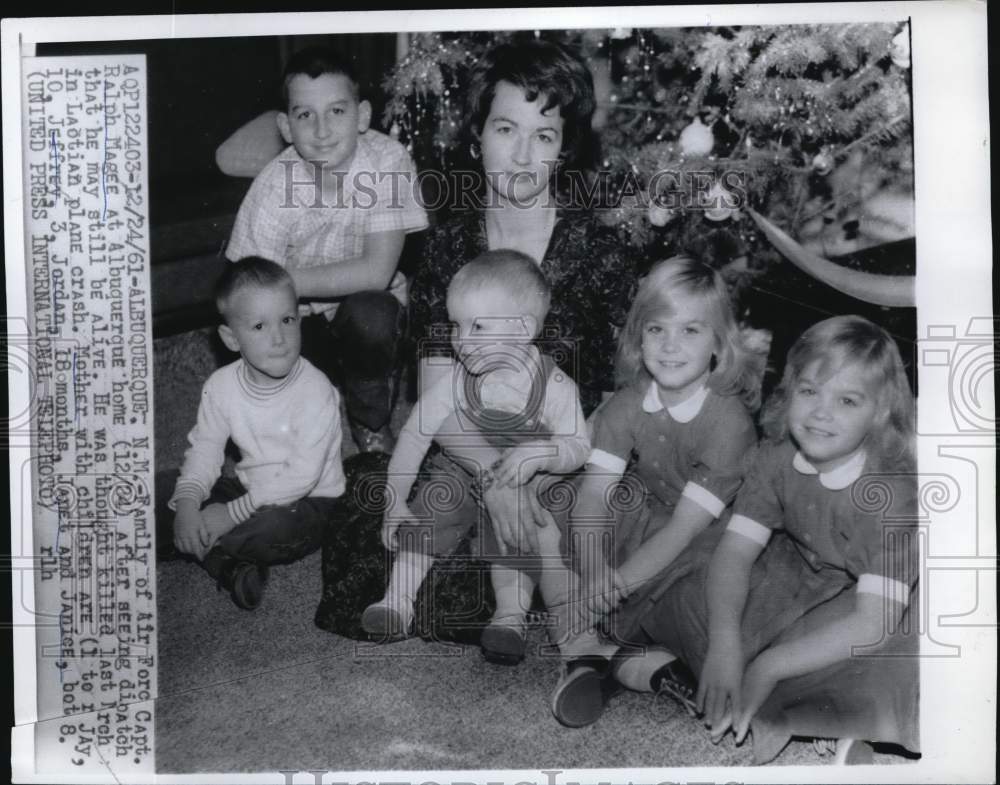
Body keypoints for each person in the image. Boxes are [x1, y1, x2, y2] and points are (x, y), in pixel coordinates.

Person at [562, 315, 920, 765]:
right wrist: (725, 645)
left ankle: (825, 720)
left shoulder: (889, 495)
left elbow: (873, 621)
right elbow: (734, 552)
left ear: (880, 413)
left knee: (887, 659)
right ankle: (670, 667)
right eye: (809, 391)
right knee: (697, 591)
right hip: (798, 569)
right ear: (789, 393)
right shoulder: (777, 456)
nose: (821, 412)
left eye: (847, 400)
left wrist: (767, 667)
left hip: (870, 599)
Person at [407, 36, 636, 558]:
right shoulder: (447, 249)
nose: (522, 156)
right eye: (506, 129)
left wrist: (541, 467)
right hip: (469, 448)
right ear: (477, 135)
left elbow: (619, 398)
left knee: (576, 561)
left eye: (544, 136)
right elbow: (435, 395)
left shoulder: (603, 251)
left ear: (564, 149)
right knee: (414, 552)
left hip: (572, 454)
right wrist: (497, 477)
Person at [540, 257, 762, 726]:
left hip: (704, 539)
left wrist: (616, 583)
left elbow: (684, 530)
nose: (670, 345)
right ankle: (598, 652)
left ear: (719, 345)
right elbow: (597, 493)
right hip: (645, 516)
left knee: (698, 613)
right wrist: (597, 564)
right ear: (638, 339)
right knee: (551, 512)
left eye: (690, 331)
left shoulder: (729, 421)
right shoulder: (627, 403)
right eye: (657, 329)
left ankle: (619, 657)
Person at [361, 250, 590, 662]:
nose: (461, 340)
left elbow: (578, 447)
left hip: (523, 482)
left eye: (477, 326)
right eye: (456, 325)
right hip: (461, 472)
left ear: (523, 328)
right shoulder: (458, 378)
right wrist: (394, 497)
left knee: (518, 535)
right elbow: (416, 430)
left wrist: (543, 452)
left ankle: (510, 618)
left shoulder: (555, 384)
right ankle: (397, 601)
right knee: (428, 512)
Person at [226, 45, 428, 453]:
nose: (321, 131)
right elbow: (252, 299)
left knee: (375, 313)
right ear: (285, 127)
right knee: (288, 434)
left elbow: (376, 273)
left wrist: (282, 281)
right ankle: (305, 399)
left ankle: (369, 418)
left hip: (361, 309)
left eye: (337, 111)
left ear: (364, 116)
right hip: (295, 320)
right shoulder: (271, 188)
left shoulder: (386, 160)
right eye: (305, 115)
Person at [170, 257, 345, 610]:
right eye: (260, 326)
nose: (279, 338)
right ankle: (226, 561)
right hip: (249, 490)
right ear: (231, 338)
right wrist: (187, 504)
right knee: (155, 499)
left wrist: (230, 514)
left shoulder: (315, 390)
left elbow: (302, 475)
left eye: (287, 320)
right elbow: (205, 449)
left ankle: (213, 553)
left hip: (308, 502)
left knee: (273, 529)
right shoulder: (219, 386)